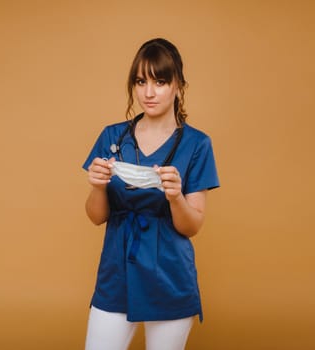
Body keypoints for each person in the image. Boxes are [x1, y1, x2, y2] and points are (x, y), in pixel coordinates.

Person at [82, 38, 220, 350]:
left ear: (178, 85)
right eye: (140, 81)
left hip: (169, 276)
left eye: (160, 81)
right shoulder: (112, 136)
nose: (148, 92)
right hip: (117, 272)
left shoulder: (197, 145)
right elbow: (96, 216)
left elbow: (192, 226)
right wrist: (97, 185)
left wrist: (175, 197)